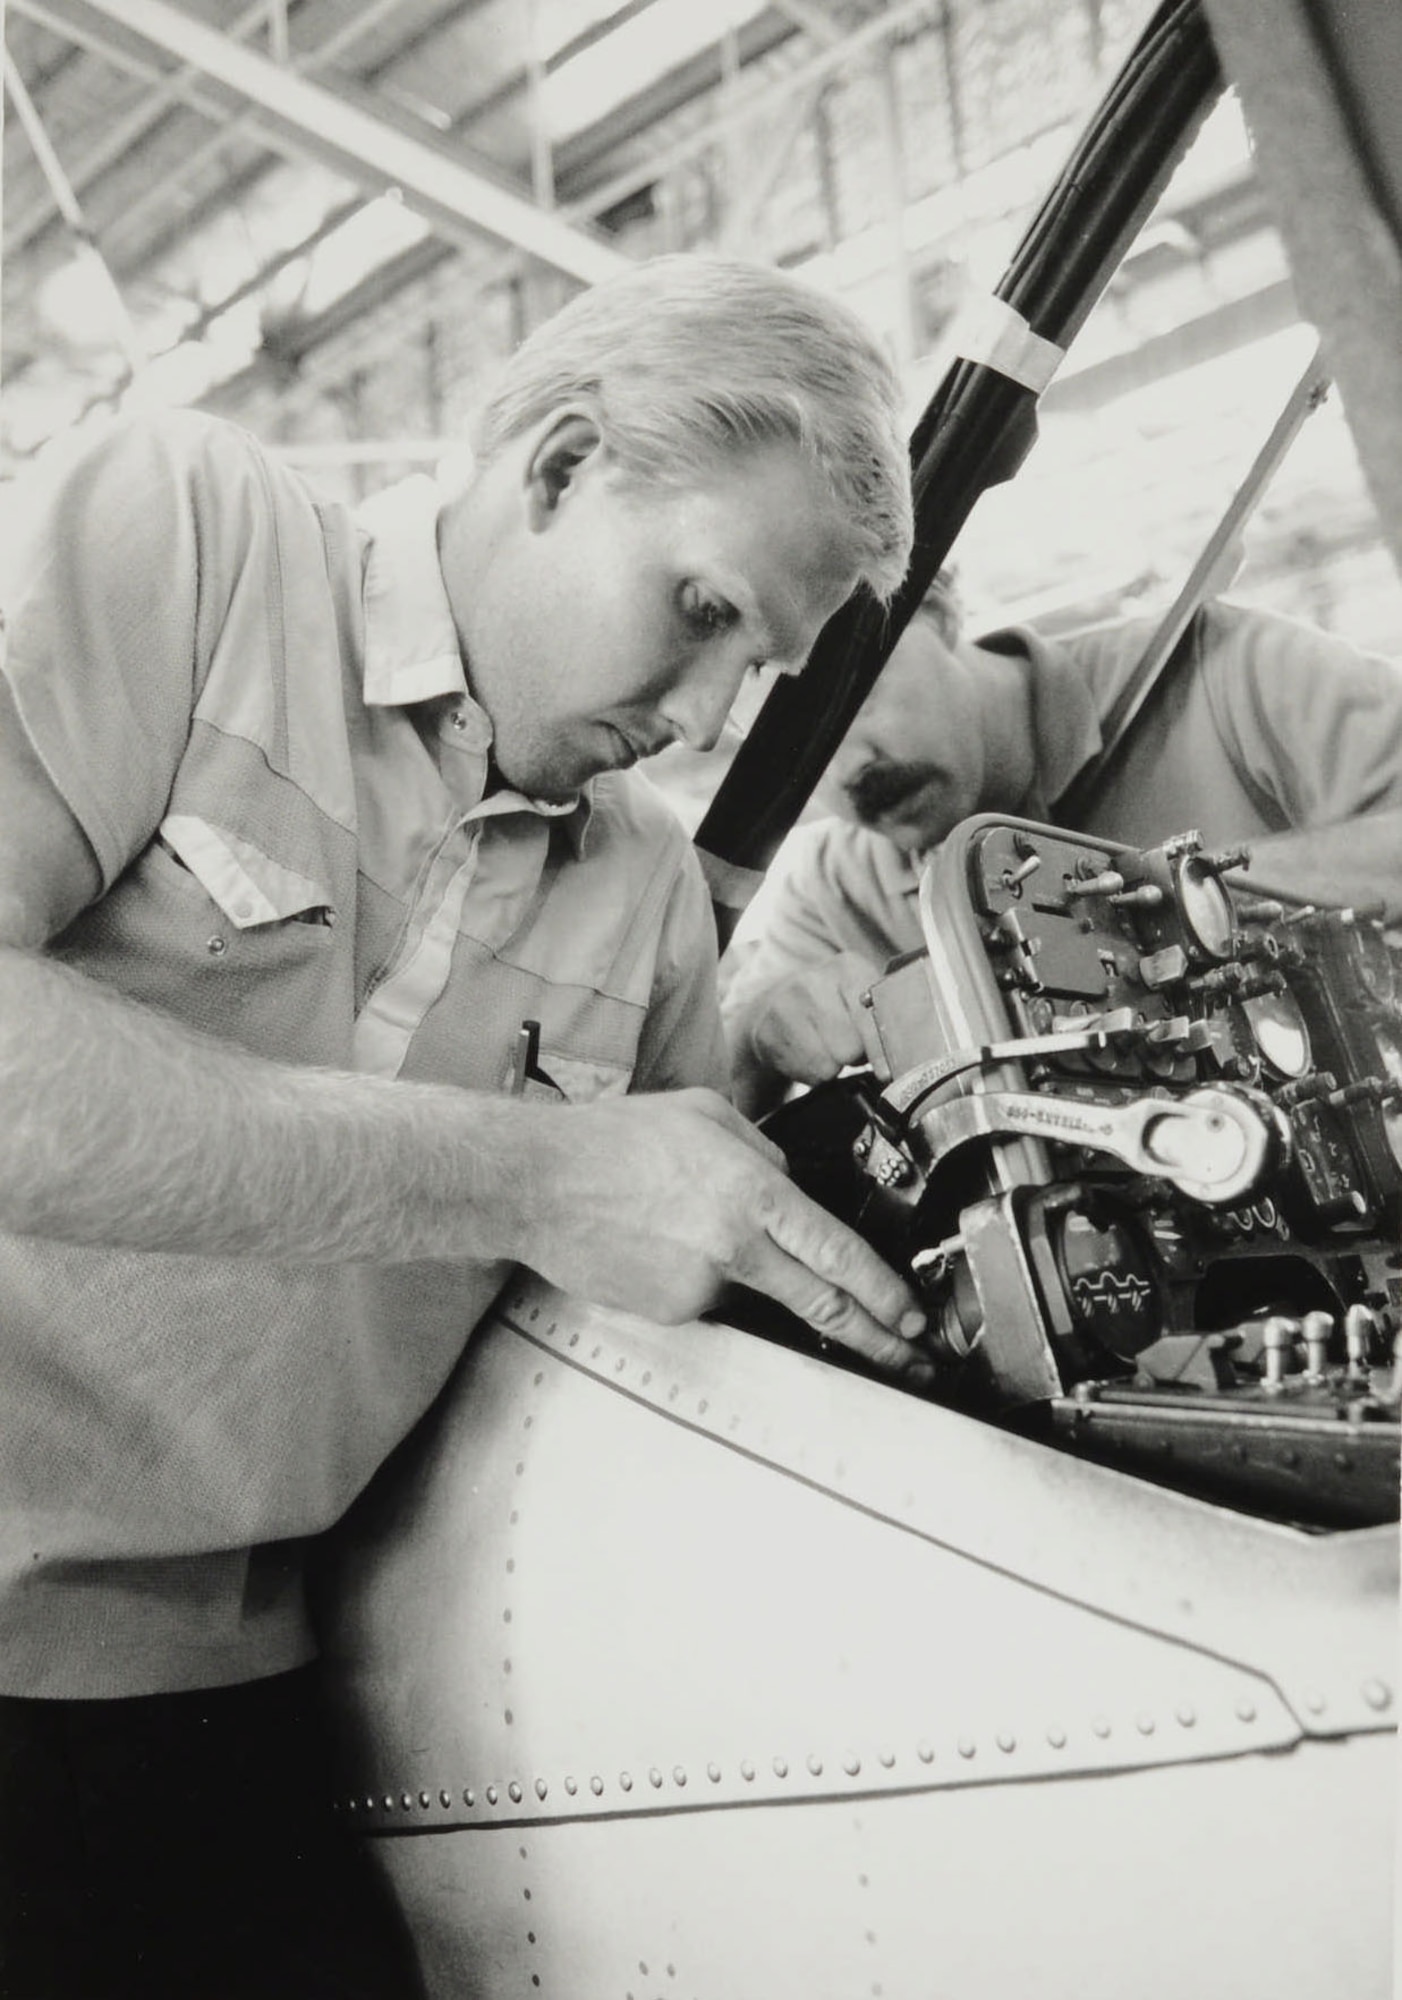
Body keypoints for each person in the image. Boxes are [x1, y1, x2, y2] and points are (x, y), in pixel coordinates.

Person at [0, 254, 930, 1998]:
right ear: (564, 464)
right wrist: (538, 1167)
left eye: (764, 665)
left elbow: (642, 1283)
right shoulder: (195, 537)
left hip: (225, 1702)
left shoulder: (646, 893)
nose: (705, 713)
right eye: (705, 612)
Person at [724, 571, 1402, 1115]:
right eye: (796, 760)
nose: (849, 773)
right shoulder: (832, 888)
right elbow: (710, 1080)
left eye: (851, 704)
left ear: (934, 606)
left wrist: (1165, 908)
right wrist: (764, 1031)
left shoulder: (1228, 669)